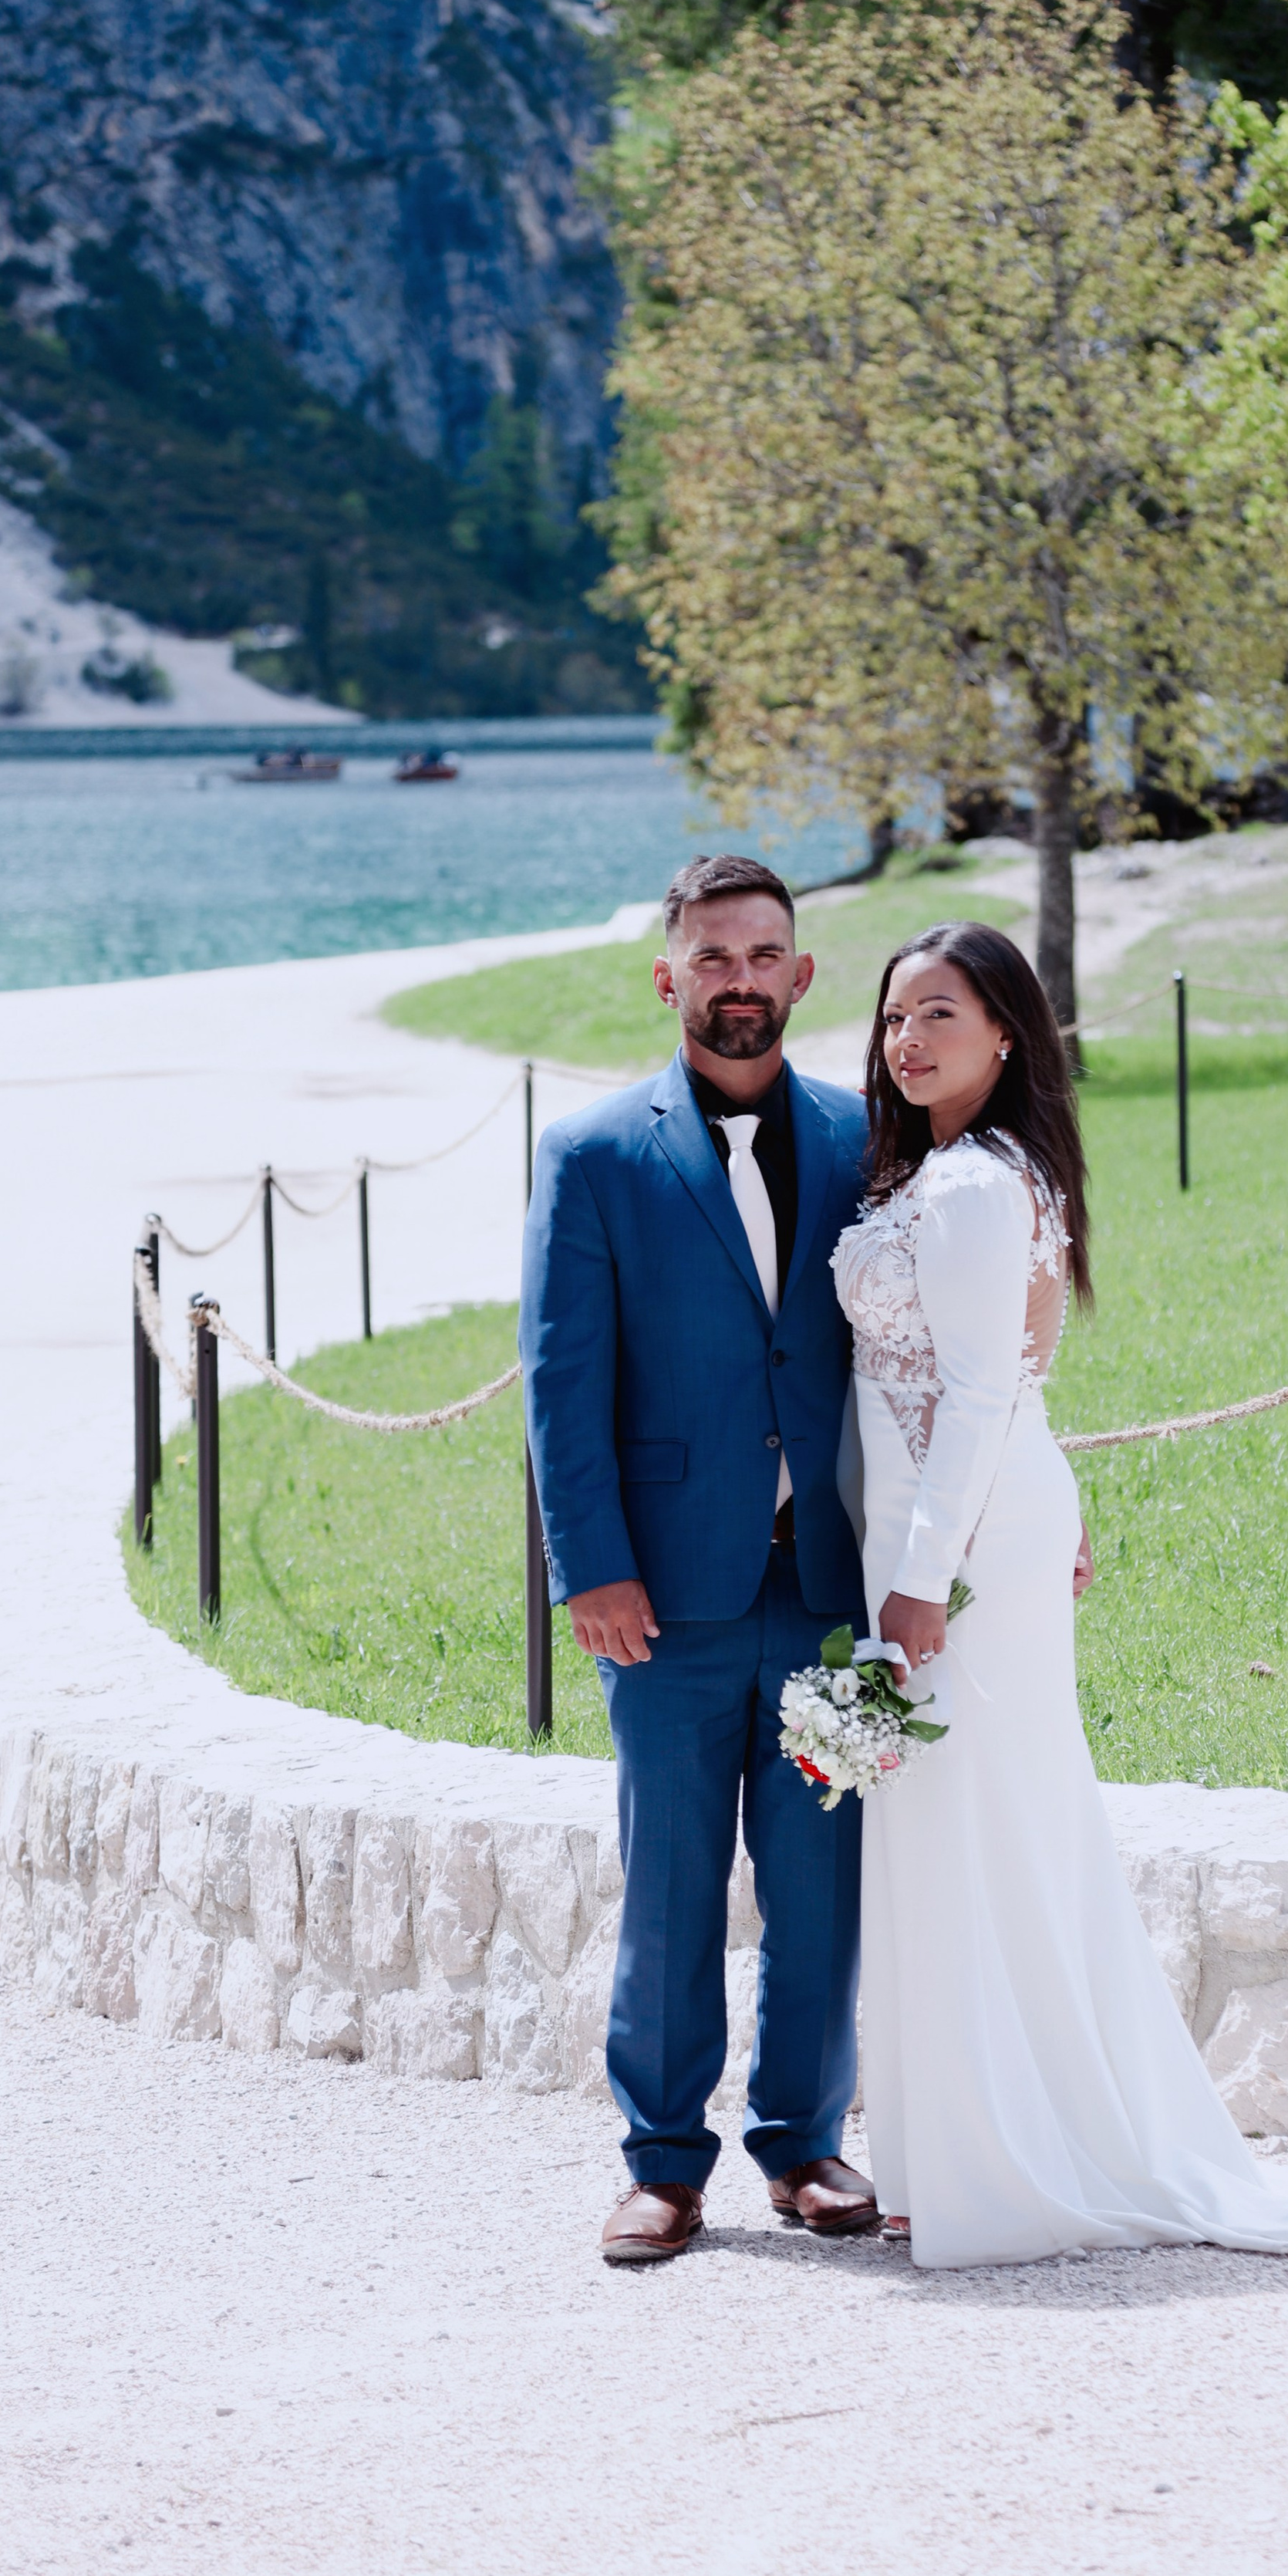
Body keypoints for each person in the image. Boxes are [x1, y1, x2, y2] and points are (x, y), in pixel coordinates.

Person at [834, 919, 1288, 2270]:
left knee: (987, 1825)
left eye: (938, 1014)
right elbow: (1010, 1382)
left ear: (1006, 1032)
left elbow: (990, 1385)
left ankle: (1009, 2160)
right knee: (959, 1827)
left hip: (957, 1551)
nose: (908, 1040)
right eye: (892, 1020)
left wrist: (926, 1580)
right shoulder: (951, 1173)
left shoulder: (981, 1187)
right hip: (961, 1521)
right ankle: (947, 2159)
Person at [521, 855, 878, 2264]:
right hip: (661, 1598)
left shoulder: (866, 1140)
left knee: (821, 1882)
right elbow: (562, 1382)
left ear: (802, 976)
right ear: (668, 977)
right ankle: (663, 2165)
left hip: (830, 1594)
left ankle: (805, 2143)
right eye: (712, 958)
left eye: (764, 955)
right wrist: (588, 1566)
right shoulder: (596, 1157)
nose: (740, 981)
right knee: (669, 1883)